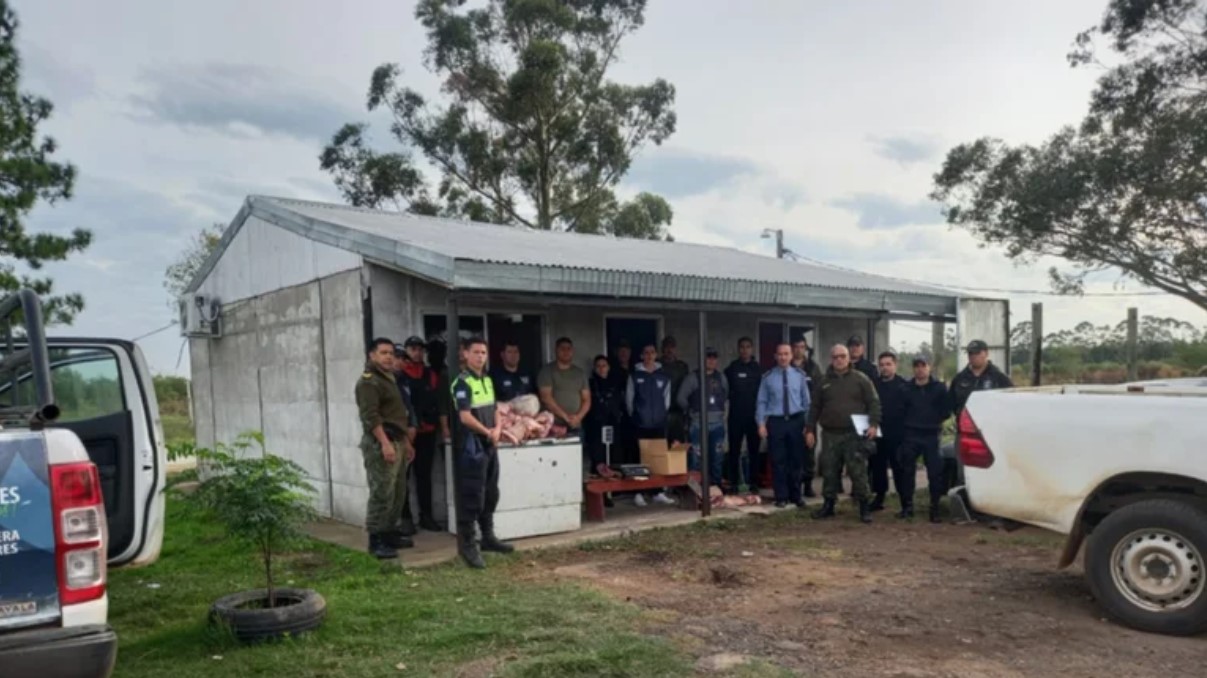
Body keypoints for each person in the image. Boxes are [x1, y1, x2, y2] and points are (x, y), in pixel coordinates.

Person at [450, 336, 514, 569]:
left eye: (483, 353)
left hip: (489, 444)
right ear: (465, 354)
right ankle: (468, 545)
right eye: (476, 352)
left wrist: (496, 429)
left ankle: (488, 537)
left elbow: (495, 408)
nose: (480, 356)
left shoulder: (487, 380)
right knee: (472, 495)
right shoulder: (462, 383)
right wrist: (488, 432)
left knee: (490, 492)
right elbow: (465, 417)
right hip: (471, 446)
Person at [355, 337, 415, 560]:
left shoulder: (389, 378)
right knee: (382, 492)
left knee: (397, 492)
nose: (389, 357)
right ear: (372, 355)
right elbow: (371, 416)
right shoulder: (369, 382)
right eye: (383, 353)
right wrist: (385, 443)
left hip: (397, 440)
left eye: (391, 353)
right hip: (382, 442)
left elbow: (397, 415)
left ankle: (389, 532)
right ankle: (376, 539)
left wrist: (406, 443)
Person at [808, 344, 881, 523]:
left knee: (858, 472)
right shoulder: (823, 381)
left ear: (848, 358)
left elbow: (873, 402)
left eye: (843, 356)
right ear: (831, 359)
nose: (839, 360)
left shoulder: (861, 379)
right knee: (830, 471)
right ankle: (828, 505)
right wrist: (809, 429)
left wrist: (873, 424)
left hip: (853, 434)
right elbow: (814, 407)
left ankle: (864, 507)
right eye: (836, 357)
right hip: (830, 434)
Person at [396, 337, 444, 533]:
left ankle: (427, 516)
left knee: (424, 476)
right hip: (406, 434)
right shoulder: (400, 376)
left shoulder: (430, 374)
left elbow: (437, 400)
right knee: (403, 477)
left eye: (420, 350)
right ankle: (406, 518)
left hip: (428, 432)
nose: (417, 353)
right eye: (413, 349)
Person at [755, 343, 812, 508]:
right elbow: (762, 402)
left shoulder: (799, 376)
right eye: (780, 354)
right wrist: (761, 424)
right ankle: (781, 496)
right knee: (778, 460)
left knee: (796, 460)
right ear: (775, 356)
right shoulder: (768, 377)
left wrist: (808, 426)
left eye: (786, 354)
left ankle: (796, 495)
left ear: (791, 356)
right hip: (777, 422)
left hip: (796, 421)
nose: (783, 357)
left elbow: (806, 403)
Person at [899, 355, 952, 522]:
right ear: (913, 368)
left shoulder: (939, 388)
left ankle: (934, 508)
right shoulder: (905, 388)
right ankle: (907, 507)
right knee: (907, 472)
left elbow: (946, 410)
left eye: (923, 365)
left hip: (931, 435)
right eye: (917, 366)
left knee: (935, 474)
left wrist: (934, 420)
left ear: (929, 367)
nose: (920, 369)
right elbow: (901, 410)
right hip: (911, 435)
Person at [625, 344, 675, 506]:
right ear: (641, 355)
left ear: (656, 355)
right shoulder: (634, 376)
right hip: (640, 423)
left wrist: (660, 415)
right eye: (646, 353)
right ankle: (638, 492)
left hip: (658, 423)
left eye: (652, 352)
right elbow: (629, 400)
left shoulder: (664, 376)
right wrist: (637, 416)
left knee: (657, 457)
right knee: (640, 457)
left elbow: (667, 401)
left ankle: (657, 492)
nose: (649, 355)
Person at [677, 347, 728, 491]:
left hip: (717, 424)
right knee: (696, 458)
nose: (711, 360)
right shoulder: (692, 378)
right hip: (697, 424)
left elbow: (725, 395)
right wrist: (691, 411)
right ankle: (695, 490)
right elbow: (680, 398)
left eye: (713, 357)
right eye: (708, 357)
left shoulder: (721, 377)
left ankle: (715, 489)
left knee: (717, 458)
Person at [870, 351, 908, 513]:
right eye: (882, 365)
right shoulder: (873, 385)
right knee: (878, 467)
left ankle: (905, 502)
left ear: (895, 365)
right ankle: (879, 498)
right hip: (878, 433)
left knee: (899, 468)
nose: (884, 368)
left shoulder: (904, 386)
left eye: (888, 364)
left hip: (897, 434)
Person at [725, 337, 763, 493]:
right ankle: (733, 483)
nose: (745, 350)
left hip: (753, 417)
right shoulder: (732, 368)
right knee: (734, 451)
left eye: (748, 347)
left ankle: (754, 483)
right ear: (738, 349)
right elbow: (724, 390)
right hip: (736, 416)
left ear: (752, 349)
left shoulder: (758, 369)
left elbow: (763, 394)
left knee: (754, 451)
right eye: (742, 347)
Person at [791, 334, 823, 498]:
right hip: (791, 414)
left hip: (809, 414)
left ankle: (808, 485)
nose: (799, 350)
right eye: (796, 347)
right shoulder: (786, 366)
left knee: (809, 448)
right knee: (793, 450)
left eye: (802, 347)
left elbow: (820, 390)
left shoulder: (813, 367)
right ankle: (794, 485)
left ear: (806, 349)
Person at [537, 337, 591, 434]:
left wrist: (578, 417)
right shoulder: (547, 371)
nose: (566, 351)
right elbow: (546, 398)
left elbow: (587, 399)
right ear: (556, 350)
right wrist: (566, 417)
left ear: (572, 351)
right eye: (562, 348)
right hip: (553, 426)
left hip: (576, 425)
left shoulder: (580, 373)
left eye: (568, 348)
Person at [585, 355, 625, 481]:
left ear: (608, 367)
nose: (601, 368)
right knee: (598, 454)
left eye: (604, 366)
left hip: (613, 422)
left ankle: (614, 483)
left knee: (614, 452)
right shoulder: (590, 384)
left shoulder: (615, 383)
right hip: (596, 424)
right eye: (598, 366)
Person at [950, 340, 1014, 416]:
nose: (973, 356)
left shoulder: (999, 377)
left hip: (990, 421)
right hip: (966, 422)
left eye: (977, 353)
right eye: (970, 353)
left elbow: (1011, 401)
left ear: (986, 353)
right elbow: (951, 404)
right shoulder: (959, 379)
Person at [660, 336, 690, 445]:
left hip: (678, 412)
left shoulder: (682, 367)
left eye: (672, 347)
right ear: (662, 349)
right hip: (660, 413)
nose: (669, 350)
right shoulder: (657, 366)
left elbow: (688, 389)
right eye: (667, 347)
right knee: (660, 446)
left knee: (677, 446)